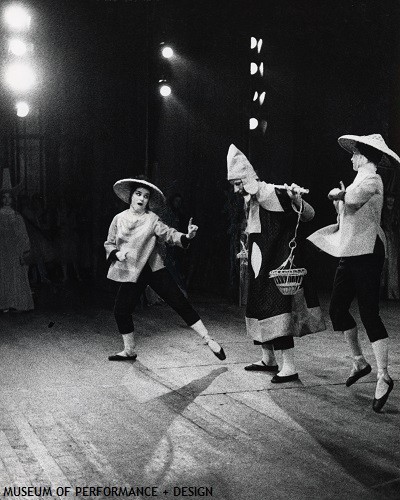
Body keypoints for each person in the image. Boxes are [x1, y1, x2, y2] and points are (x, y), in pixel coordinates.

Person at [307, 133, 398, 412]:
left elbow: (355, 199)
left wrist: (338, 195)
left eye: (355, 153)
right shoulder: (360, 178)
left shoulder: (372, 179)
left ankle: (384, 375)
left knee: (369, 313)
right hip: (350, 251)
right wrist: (339, 203)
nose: (351, 157)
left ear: (364, 156)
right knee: (336, 309)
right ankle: (359, 361)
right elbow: (346, 211)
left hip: (368, 251)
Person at [227, 145, 325, 383]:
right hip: (260, 262)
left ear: (249, 179)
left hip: (279, 262)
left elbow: (309, 215)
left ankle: (289, 366)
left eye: (239, 183)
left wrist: (297, 199)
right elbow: (255, 231)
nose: (237, 189)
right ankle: (268, 359)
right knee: (259, 306)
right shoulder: (250, 201)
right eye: (234, 185)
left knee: (277, 310)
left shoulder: (274, 193)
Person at [104, 175, 225, 361]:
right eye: (138, 194)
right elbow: (109, 243)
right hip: (132, 271)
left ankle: (208, 339)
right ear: (131, 197)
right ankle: (129, 350)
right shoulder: (118, 219)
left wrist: (187, 236)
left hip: (153, 268)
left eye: (146, 196)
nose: (142, 199)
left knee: (179, 302)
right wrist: (116, 254)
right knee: (121, 310)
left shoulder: (152, 219)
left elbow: (169, 234)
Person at [0, 169, 34, 313]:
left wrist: (23, 251)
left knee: (16, 275)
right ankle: (4, 303)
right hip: (2, 251)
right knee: (3, 275)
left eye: (9, 197)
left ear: (13, 199)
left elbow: (23, 236)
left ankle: (15, 302)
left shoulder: (17, 216)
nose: (7, 200)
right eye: (4, 197)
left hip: (14, 251)